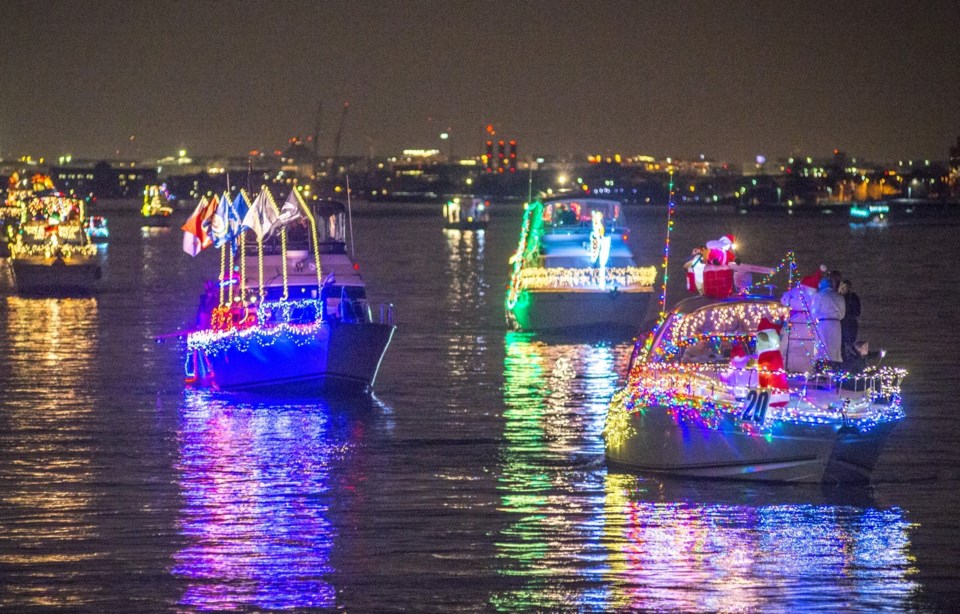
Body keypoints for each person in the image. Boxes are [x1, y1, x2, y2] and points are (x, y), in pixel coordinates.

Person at [814, 277, 845, 363]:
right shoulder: (839, 296)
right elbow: (842, 313)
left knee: (822, 346)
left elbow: (814, 311)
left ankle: (822, 365)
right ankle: (835, 365)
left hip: (823, 323)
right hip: (836, 324)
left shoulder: (819, 295)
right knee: (835, 346)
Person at [839, 279, 862, 361]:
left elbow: (857, 311)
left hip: (850, 324)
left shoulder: (853, 297)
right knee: (841, 345)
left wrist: (848, 315)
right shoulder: (839, 297)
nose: (845, 289)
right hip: (841, 324)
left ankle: (853, 360)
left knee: (849, 344)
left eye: (847, 287)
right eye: (844, 287)